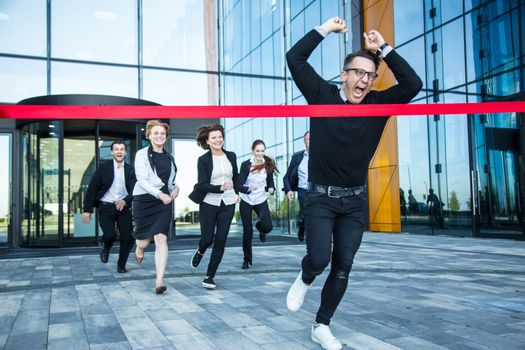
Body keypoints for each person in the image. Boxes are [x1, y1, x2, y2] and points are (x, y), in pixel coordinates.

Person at [285, 17, 422, 350]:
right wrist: (326, 30)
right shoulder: (322, 95)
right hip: (319, 197)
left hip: (355, 202)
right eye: (358, 72)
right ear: (344, 75)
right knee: (319, 259)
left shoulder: (378, 105)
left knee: (343, 267)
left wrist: (384, 49)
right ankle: (305, 278)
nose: (364, 79)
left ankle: (321, 325)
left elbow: (412, 84)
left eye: (370, 75)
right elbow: (295, 58)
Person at [189, 124, 239, 289]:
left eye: (220, 136)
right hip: (209, 202)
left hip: (228, 202)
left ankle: (209, 276)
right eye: (214, 138)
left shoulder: (231, 156)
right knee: (207, 238)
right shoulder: (203, 160)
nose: (218, 140)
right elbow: (202, 185)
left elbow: (236, 178)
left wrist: (242, 191)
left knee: (221, 240)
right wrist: (219, 188)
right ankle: (201, 250)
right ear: (207, 141)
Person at [133, 120, 179, 294]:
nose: (160, 136)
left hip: (164, 201)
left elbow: (171, 181)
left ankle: (159, 280)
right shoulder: (141, 154)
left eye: (162, 133)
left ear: (166, 137)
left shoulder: (170, 157)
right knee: (144, 241)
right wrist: (159, 194)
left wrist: (176, 188)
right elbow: (141, 179)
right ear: (150, 136)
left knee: (161, 238)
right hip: (144, 199)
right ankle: (139, 246)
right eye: (156, 133)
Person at [82, 140, 136, 274]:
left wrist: (125, 201)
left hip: (123, 208)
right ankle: (106, 246)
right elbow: (92, 189)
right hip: (106, 207)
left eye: (122, 149)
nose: (119, 151)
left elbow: (134, 190)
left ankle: (121, 265)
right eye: (116, 149)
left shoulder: (130, 170)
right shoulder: (103, 168)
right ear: (112, 152)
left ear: (125, 152)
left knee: (127, 238)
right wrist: (87, 210)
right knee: (110, 235)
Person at [237, 139, 278, 269]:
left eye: (262, 151)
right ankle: (246, 259)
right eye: (257, 151)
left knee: (268, 226)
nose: (260, 153)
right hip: (246, 199)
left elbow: (270, 181)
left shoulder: (267, 164)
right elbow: (239, 184)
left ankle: (261, 230)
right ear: (253, 151)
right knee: (247, 231)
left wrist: (271, 188)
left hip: (260, 198)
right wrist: (247, 189)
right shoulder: (245, 165)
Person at [283, 131, 310, 241]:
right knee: (308, 214)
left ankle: (302, 226)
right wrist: (288, 190)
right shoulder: (297, 158)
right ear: (304, 142)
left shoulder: (322, 157)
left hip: (318, 192)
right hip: (303, 191)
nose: (311, 142)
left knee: (312, 215)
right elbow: (286, 177)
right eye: (308, 139)